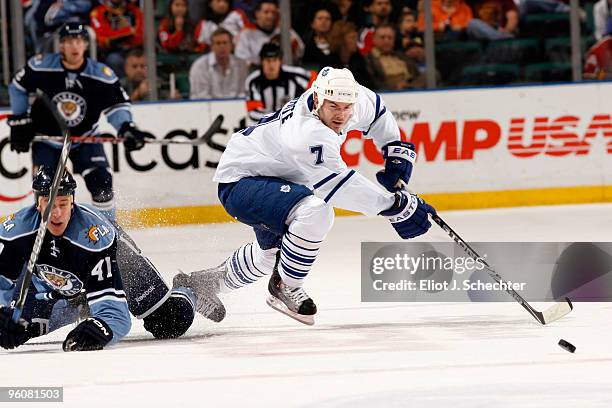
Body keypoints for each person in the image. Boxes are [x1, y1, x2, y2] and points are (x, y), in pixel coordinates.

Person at [175, 67, 435, 325]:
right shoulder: (307, 133)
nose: (342, 115)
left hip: (274, 177)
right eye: (334, 107)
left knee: (272, 255)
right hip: (240, 182)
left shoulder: (347, 98)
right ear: (318, 98)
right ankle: (285, 285)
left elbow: (378, 112)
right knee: (316, 212)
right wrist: (394, 207)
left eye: (347, 107)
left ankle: (202, 284)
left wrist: (393, 149)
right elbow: (338, 186)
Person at [0, 167, 207, 352]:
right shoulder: (17, 232)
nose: (57, 213)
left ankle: (189, 287)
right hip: (62, 286)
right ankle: (78, 306)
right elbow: (3, 286)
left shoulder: (94, 238)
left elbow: (115, 316)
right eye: (49, 204)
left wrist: (103, 328)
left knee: (170, 322)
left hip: (121, 264)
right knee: (20, 328)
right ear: (37, 204)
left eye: (63, 203)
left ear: (72, 202)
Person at [7, 23, 149, 221]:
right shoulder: (42, 66)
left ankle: (108, 234)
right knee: (46, 190)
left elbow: (118, 105)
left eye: (79, 41)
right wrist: (20, 118)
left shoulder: (100, 74)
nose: (75, 46)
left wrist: (126, 127)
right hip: (49, 140)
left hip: (85, 139)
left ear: (85, 45)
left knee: (102, 185)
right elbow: (17, 86)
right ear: (61, 45)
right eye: (69, 41)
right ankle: (47, 236)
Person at [244, 42, 315, 124]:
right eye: (268, 60)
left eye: (274, 60)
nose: (271, 65)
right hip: (265, 127)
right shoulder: (253, 81)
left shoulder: (295, 75)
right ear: (262, 62)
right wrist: (278, 119)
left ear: (280, 61)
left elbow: (316, 83)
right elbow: (253, 113)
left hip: (292, 125)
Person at [234, 0, 304, 66]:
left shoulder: (283, 30)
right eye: (266, 12)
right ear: (257, 14)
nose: (270, 16)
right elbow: (241, 60)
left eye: (273, 13)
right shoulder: (246, 33)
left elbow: (301, 51)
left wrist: (292, 41)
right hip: (255, 72)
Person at [189, 27, 249, 99]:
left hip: (235, 107)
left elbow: (243, 94)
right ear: (212, 46)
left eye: (225, 43)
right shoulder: (200, 66)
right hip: (207, 108)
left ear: (231, 46)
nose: (222, 46)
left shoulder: (241, 65)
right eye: (218, 43)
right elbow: (201, 96)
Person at [89, 0, 144, 77]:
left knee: (142, 60)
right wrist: (128, 30)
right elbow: (104, 39)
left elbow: (140, 36)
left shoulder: (135, 11)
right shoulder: (98, 12)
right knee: (114, 60)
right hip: (112, 51)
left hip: (135, 50)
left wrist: (121, 34)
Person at [365, 24, 425, 90]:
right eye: (382, 37)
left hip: (410, 88)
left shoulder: (402, 56)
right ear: (374, 39)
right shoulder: (368, 60)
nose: (386, 41)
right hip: (387, 92)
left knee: (432, 74)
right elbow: (372, 83)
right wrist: (394, 86)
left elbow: (416, 75)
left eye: (390, 38)